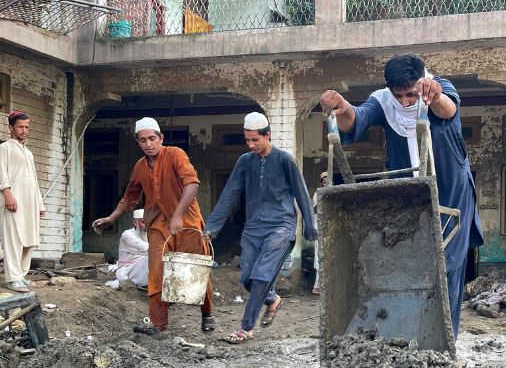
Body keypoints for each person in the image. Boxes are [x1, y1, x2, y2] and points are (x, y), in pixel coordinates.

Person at [319, 53, 483, 341]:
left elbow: (448, 110)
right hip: (409, 195)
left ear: (422, 81)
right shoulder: (383, 102)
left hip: (451, 195)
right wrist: (342, 106)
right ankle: (406, 334)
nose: (406, 102)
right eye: (400, 96)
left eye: (411, 95)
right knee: (408, 260)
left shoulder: (439, 87)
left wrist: (435, 95)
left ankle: (446, 341)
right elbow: (355, 119)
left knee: (448, 267)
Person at [92, 117, 216, 335]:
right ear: (138, 142)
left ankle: (207, 313)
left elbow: (192, 183)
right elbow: (130, 197)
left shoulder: (175, 154)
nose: (148, 144)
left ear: (161, 138)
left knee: (196, 268)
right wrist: (111, 218)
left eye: (152, 138)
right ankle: (158, 324)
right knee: (156, 270)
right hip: (158, 225)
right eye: (143, 140)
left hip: (188, 222)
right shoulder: (140, 166)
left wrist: (177, 215)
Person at [204, 112, 316, 344]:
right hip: (253, 227)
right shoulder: (244, 162)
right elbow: (229, 195)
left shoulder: (285, 160)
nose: (251, 145)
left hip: (281, 226)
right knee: (247, 277)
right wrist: (211, 228)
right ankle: (273, 299)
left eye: (255, 140)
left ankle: (246, 328)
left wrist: (310, 227)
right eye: (247, 140)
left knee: (263, 274)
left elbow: (301, 193)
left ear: (268, 135)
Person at [0, 111, 46, 293]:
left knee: (29, 239)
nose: (24, 130)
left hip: (30, 202)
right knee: (14, 239)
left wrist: (40, 204)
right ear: (11, 127)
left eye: (27, 127)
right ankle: (13, 278)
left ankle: (21, 274)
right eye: (21, 127)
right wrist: (8, 195)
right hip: (13, 200)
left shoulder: (28, 152)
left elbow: (34, 180)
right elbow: (1, 173)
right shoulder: (5, 148)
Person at [115, 208, 149, 289]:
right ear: (135, 223)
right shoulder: (127, 234)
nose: (147, 225)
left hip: (140, 269)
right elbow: (147, 249)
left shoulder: (148, 234)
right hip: (127, 271)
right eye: (144, 222)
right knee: (154, 255)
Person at [311, 171, 329, 295]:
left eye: (328, 182)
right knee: (320, 258)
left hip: (330, 231)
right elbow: (316, 209)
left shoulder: (334, 192)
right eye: (324, 182)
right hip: (320, 230)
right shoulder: (318, 194)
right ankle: (317, 286)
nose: (326, 184)